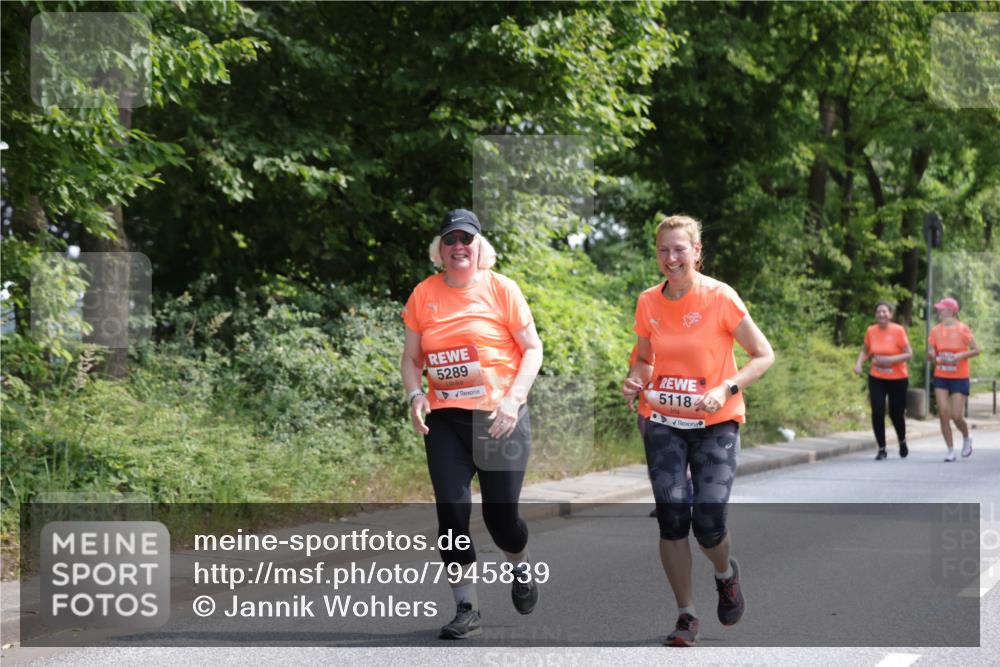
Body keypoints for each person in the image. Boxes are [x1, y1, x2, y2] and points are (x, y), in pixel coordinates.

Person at [622, 215, 774, 647]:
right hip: (663, 420)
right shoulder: (649, 301)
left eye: (679, 250)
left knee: (708, 522)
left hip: (715, 422)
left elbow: (762, 355)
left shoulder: (720, 297)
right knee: (671, 518)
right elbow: (645, 360)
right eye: (664, 250)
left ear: (696, 252)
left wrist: (727, 386)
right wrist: (636, 379)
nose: (671, 258)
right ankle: (686, 614)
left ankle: (726, 575)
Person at [400, 209, 544, 639]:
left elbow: (532, 349)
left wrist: (514, 400)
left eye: (467, 239)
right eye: (450, 240)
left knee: (502, 520)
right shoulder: (423, 294)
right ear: (439, 251)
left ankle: (520, 567)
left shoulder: (502, 289)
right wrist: (415, 394)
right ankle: (467, 608)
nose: (459, 246)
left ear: (481, 247)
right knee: (451, 513)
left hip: (501, 419)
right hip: (446, 421)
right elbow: (411, 358)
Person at [853, 302, 913, 460]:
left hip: (898, 377)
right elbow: (865, 351)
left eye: (884, 312)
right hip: (877, 377)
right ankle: (882, 448)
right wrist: (859, 363)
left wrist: (890, 359)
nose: (881, 315)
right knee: (877, 410)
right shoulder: (871, 331)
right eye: (878, 312)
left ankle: (902, 440)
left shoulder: (898, 330)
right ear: (875, 315)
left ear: (890, 314)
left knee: (896, 413)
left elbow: (909, 354)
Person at [927, 297, 980, 461]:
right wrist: (932, 356)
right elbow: (930, 351)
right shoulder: (935, 330)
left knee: (956, 415)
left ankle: (966, 436)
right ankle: (950, 450)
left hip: (959, 377)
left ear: (950, 311)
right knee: (943, 413)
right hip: (941, 376)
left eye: (941, 309)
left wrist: (961, 355)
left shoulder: (962, 329)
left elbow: (977, 350)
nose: (938, 311)